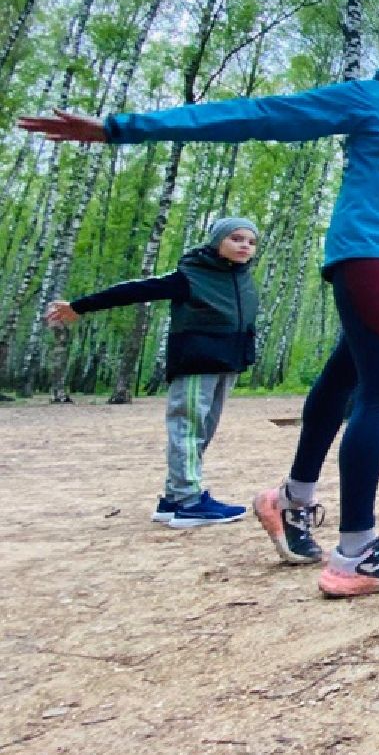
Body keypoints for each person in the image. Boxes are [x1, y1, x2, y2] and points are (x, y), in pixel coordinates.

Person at [20, 9, 379, 598]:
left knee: (347, 373)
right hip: (368, 249)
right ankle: (356, 551)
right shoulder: (368, 99)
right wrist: (121, 127)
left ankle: (290, 498)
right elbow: (261, 115)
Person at [45, 217, 260, 528]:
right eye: (237, 239)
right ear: (217, 242)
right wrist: (79, 306)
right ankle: (188, 501)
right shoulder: (191, 276)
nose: (245, 246)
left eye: (251, 242)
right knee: (187, 427)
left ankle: (174, 497)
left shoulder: (242, 279)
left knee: (203, 430)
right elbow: (135, 290)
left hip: (228, 362)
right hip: (196, 361)